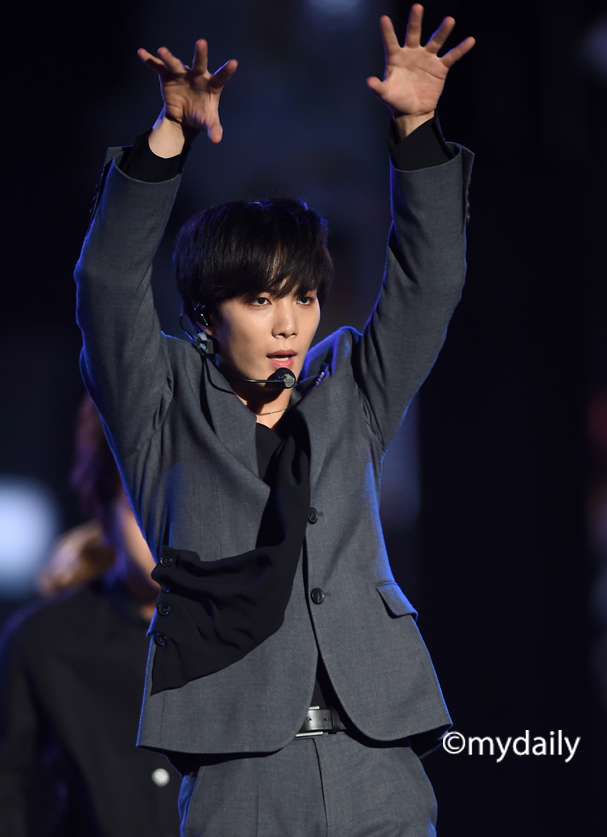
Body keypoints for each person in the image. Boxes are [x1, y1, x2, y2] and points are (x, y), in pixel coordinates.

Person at [75, 4, 475, 834]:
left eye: (303, 296)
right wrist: (169, 137)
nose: (289, 323)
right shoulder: (163, 407)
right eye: (259, 300)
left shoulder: (349, 389)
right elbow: (107, 285)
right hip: (243, 775)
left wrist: (415, 131)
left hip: (378, 759)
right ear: (205, 314)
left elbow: (429, 280)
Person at [0, 395, 181, 837]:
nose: (168, 529)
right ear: (103, 512)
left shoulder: (264, 635)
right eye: (142, 506)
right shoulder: (43, 641)